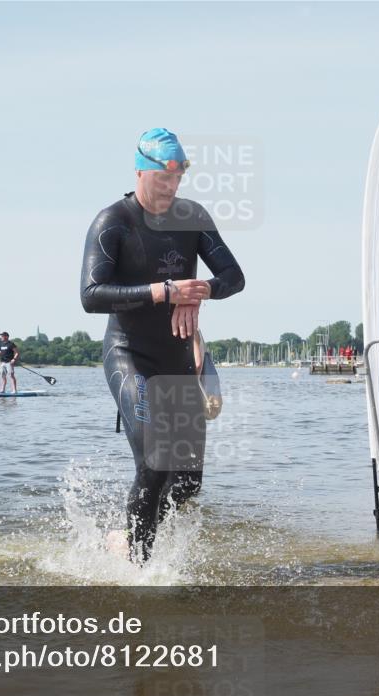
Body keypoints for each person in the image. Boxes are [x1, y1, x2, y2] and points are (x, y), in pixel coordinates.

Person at [80, 127, 245, 562]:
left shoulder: (192, 217)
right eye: (163, 177)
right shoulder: (113, 221)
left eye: (178, 177)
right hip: (130, 356)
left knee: (188, 482)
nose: (171, 187)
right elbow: (90, 295)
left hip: (178, 363)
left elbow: (234, 277)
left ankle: (130, 535)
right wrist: (164, 292)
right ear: (140, 172)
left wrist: (199, 291)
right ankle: (140, 573)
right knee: (155, 464)